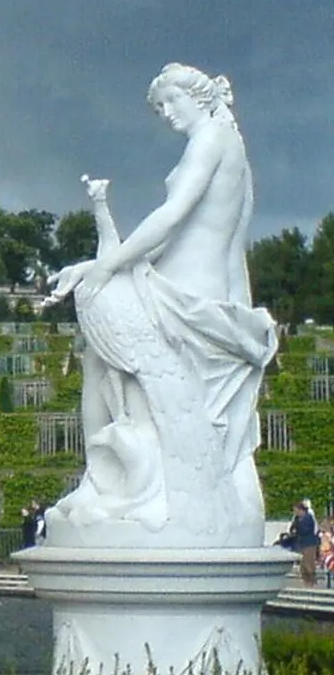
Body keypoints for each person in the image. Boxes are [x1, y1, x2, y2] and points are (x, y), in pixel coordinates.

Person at [45, 64, 277, 547]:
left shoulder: (212, 139)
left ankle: (119, 480)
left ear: (200, 97)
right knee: (99, 327)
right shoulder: (228, 145)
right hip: (191, 286)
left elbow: (172, 218)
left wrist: (105, 270)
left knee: (100, 335)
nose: (167, 113)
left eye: (172, 102)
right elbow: (171, 240)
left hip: (186, 297)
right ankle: (114, 475)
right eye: (159, 108)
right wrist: (97, 264)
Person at [293, 499, 320, 586]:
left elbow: (306, 530)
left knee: (309, 562)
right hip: (301, 543)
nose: (295, 512)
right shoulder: (297, 519)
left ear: (301, 510)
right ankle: (306, 581)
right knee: (303, 564)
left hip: (309, 543)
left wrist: (298, 529)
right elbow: (294, 528)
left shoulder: (308, 517)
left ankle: (312, 581)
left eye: (296, 510)